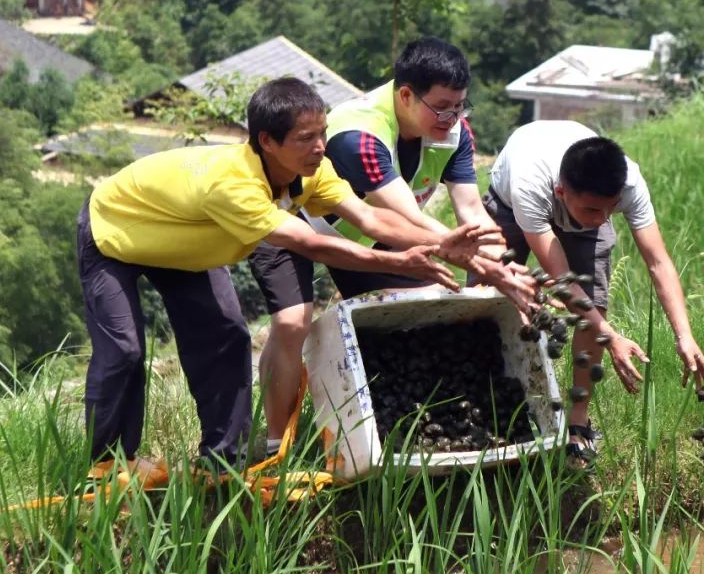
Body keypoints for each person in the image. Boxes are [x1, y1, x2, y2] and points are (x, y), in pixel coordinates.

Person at [78, 77, 498, 481]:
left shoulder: (314, 169)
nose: (320, 147)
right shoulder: (233, 185)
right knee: (125, 350)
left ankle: (224, 460)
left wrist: (442, 242)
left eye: (323, 133)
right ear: (266, 141)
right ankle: (108, 463)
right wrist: (404, 263)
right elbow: (310, 244)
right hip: (117, 231)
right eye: (305, 138)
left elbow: (370, 217)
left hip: (182, 244)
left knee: (227, 337)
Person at [249, 38, 535, 449]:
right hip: (294, 219)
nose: (452, 118)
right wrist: (491, 270)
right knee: (293, 322)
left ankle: (393, 427)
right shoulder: (358, 137)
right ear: (405, 95)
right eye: (442, 107)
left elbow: (471, 212)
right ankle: (277, 442)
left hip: (364, 230)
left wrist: (506, 266)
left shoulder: (454, 132)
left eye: (460, 106)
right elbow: (406, 220)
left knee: (424, 310)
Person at [484, 119, 704, 464]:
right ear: (561, 192)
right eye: (594, 209)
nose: (604, 217)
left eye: (612, 208)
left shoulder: (629, 183)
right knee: (488, 300)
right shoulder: (529, 185)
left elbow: (658, 262)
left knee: (595, 305)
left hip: (567, 192)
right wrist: (612, 337)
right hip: (510, 207)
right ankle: (488, 411)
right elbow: (560, 276)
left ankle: (577, 421)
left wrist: (685, 335)